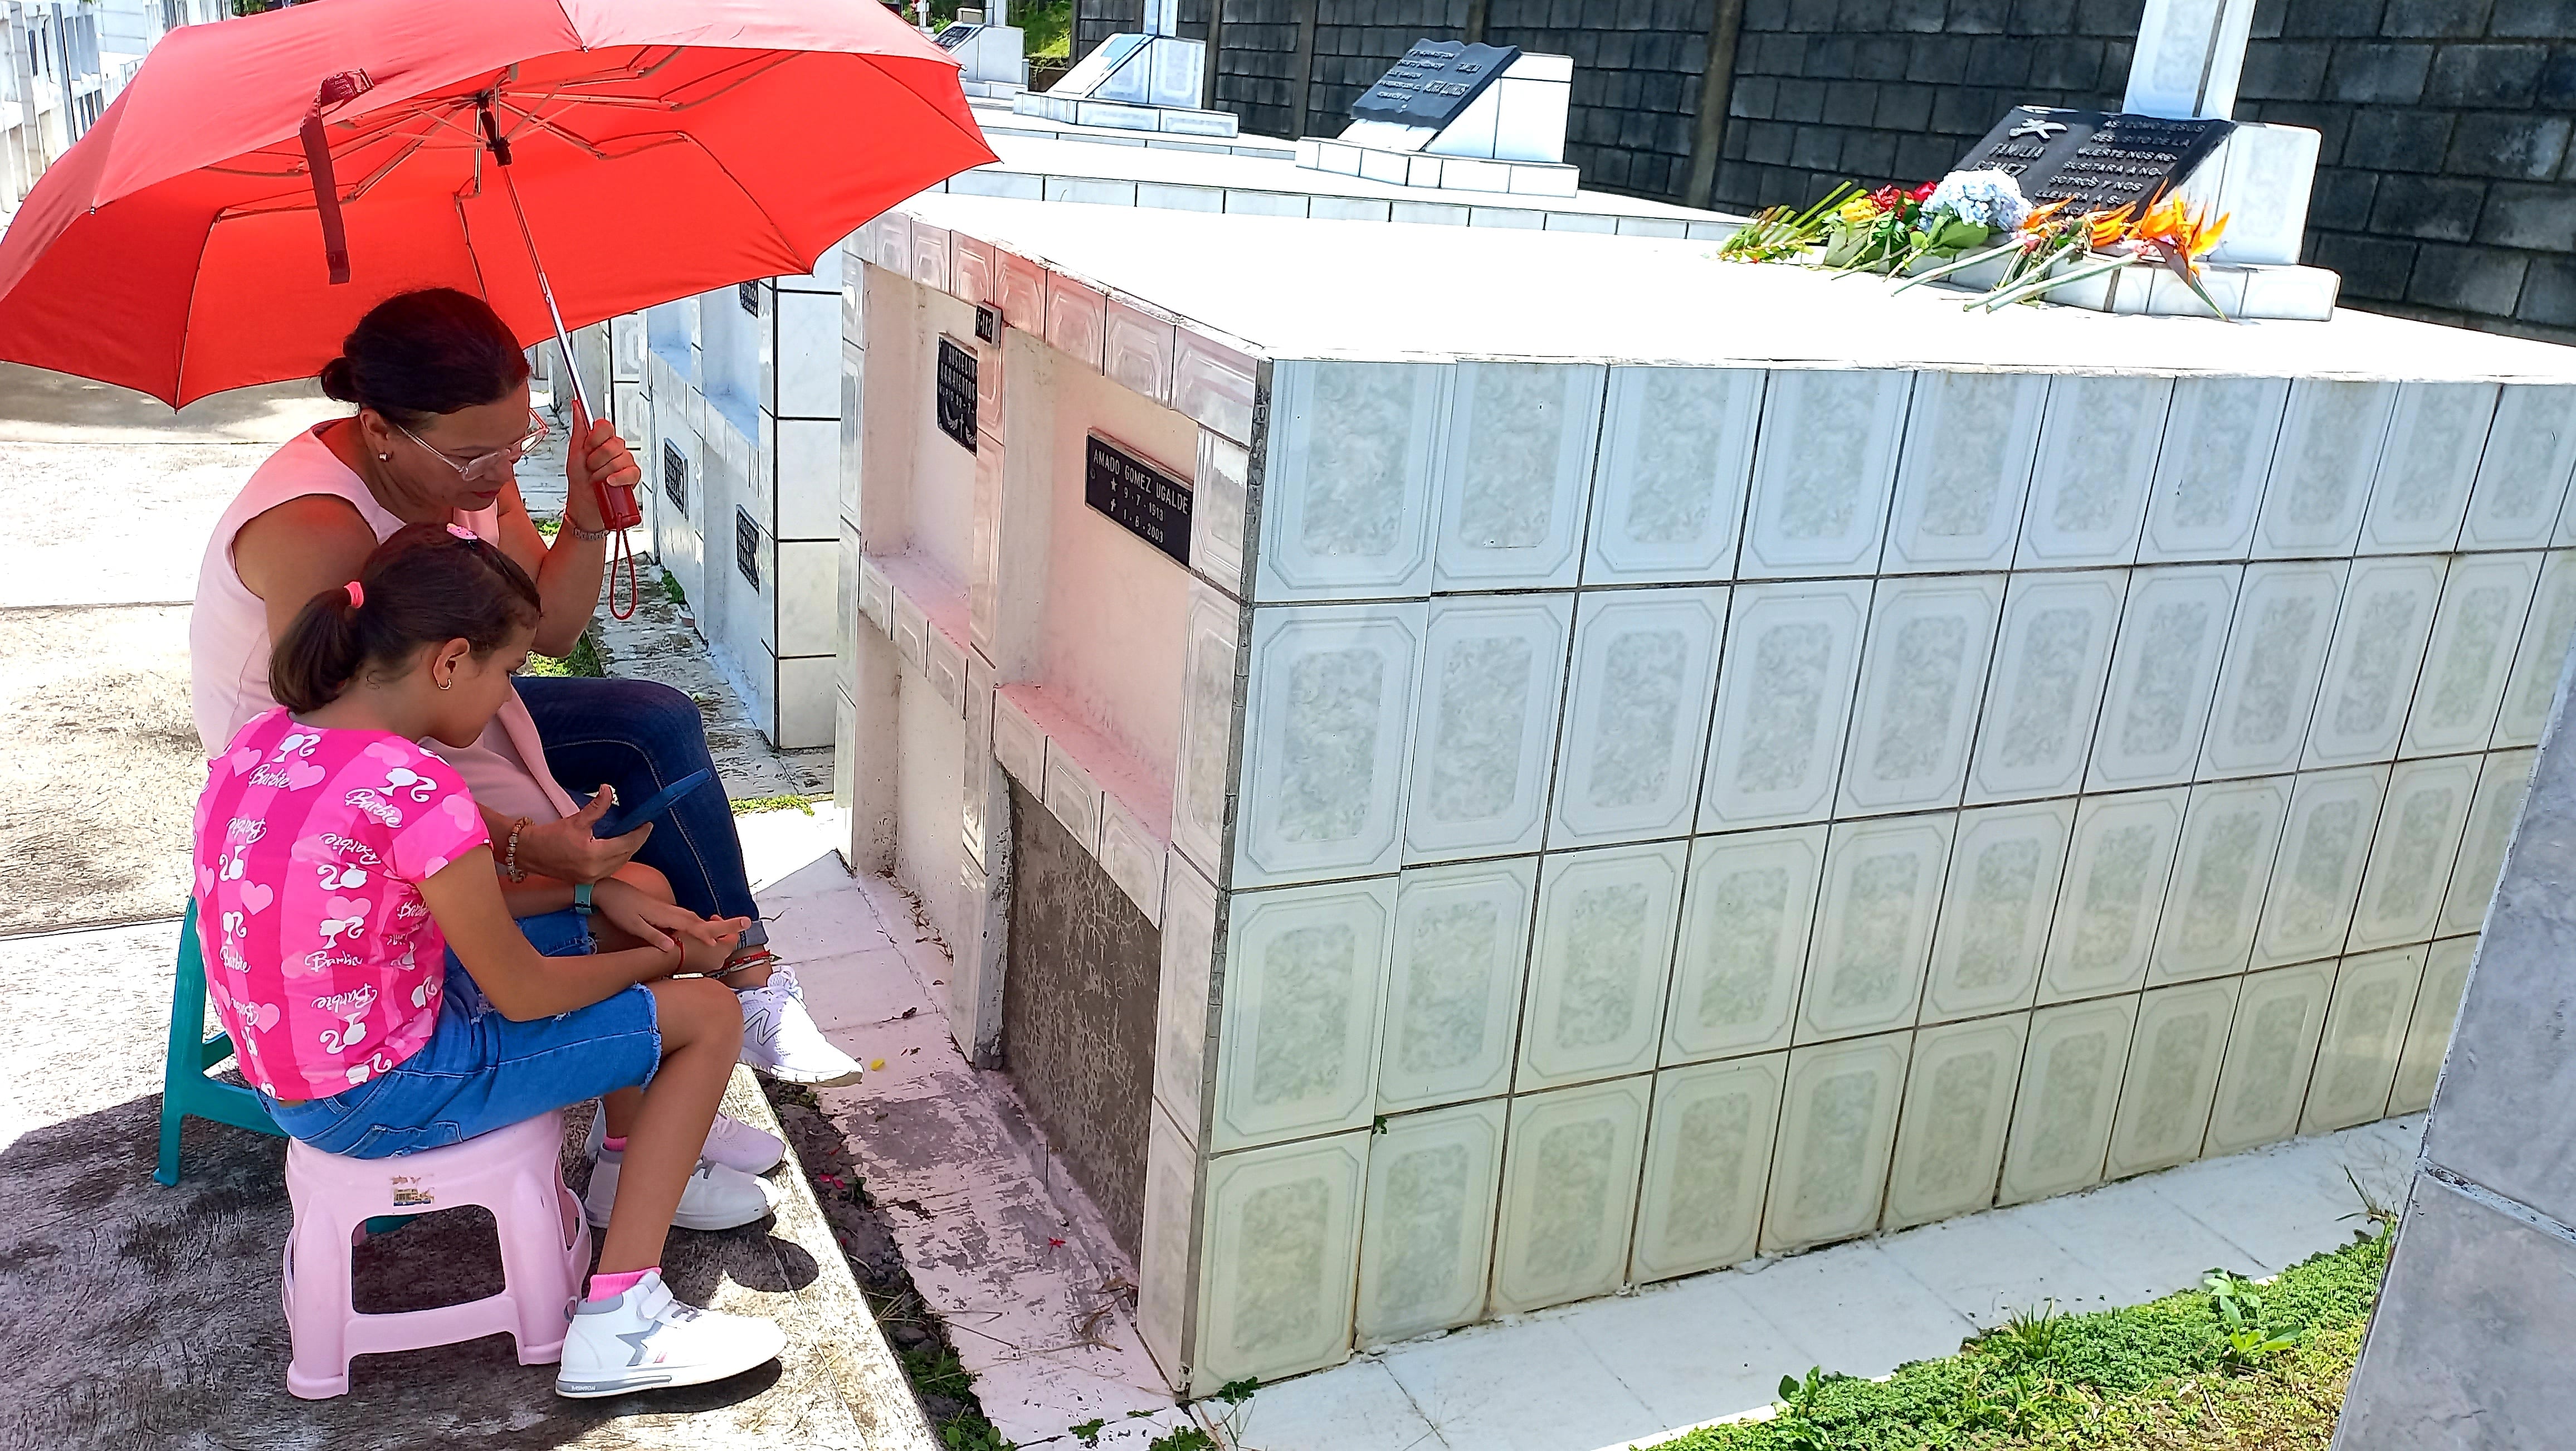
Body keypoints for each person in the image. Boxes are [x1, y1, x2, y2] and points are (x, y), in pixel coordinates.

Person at [189, 286, 864, 1105]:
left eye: (518, 445)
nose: (501, 474)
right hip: (321, 774)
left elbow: (545, 632)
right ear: (379, 433)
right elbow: (353, 749)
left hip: (430, 716)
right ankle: (652, 1046)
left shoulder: (470, 471)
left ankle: (747, 976)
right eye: (479, 459)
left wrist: (585, 519)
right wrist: (519, 844)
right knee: (616, 872)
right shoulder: (316, 529)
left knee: (653, 721)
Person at [197, 524, 783, 1396]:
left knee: (627, 905)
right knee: (709, 1016)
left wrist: (597, 896)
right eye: (508, 674)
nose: (509, 697)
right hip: (388, 1095)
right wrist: (669, 960)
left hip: (300, 1082)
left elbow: (435, 909)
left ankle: (628, 1163)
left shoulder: (265, 746)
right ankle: (624, 1320)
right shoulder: (416, 789)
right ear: (450, 662)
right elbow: (522, 991)